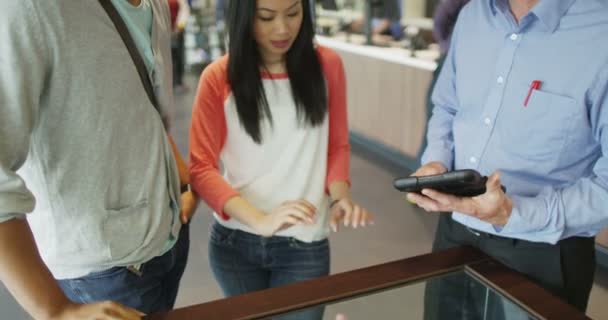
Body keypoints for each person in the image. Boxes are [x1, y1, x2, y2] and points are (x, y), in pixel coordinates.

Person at [407, 0, 608, 317]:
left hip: (543, 254)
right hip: (455, 233)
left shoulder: (600, 31)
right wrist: (437, 162)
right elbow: (447, 107)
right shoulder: (474, 14)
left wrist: (514, 213)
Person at [0, 0, 198, 318]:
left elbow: (143, 106)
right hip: (98, 270)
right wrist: (57, 310)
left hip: (167, 237)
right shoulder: (30, 8)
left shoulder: (155, 5)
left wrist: (180, 178)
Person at [189, 0, 373, 319]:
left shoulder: (327, 66)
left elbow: (336, 145)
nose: (282, 28)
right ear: (245, 17)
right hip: (236, 242)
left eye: (292, 13)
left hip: (304, 243)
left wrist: (340, 198)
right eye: (266, 17)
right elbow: (201, 169)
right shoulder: (218, 77)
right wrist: (261, 220)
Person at [417, 0, 469, 162]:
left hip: (476, 64)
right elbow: (441, 19)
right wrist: (447, 46)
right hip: (451, 58)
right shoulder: (474, 12)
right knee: (438, 128)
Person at [168, 0, 190, 91]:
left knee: (179, 56)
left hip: (178, 32)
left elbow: (184, 11)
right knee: (168, 58)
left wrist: (179, 27)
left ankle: (179, 82)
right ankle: (171, 83)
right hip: (165, 32)